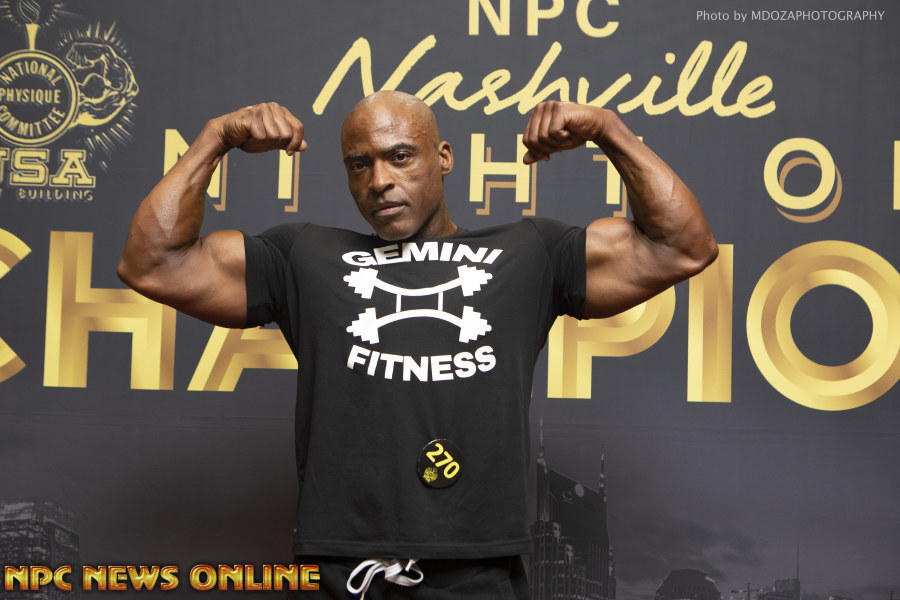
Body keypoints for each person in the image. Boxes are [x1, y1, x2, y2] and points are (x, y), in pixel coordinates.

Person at [118, 92, 717, 599]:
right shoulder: (304, 256)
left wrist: (609, 131)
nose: (379, 181)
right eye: (359, 164)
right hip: (341, 571)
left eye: (400, 156)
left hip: (477, 571)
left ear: (443, 157)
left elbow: (681, 247)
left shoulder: (528, 250)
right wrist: (215, 138)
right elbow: (153, 263)